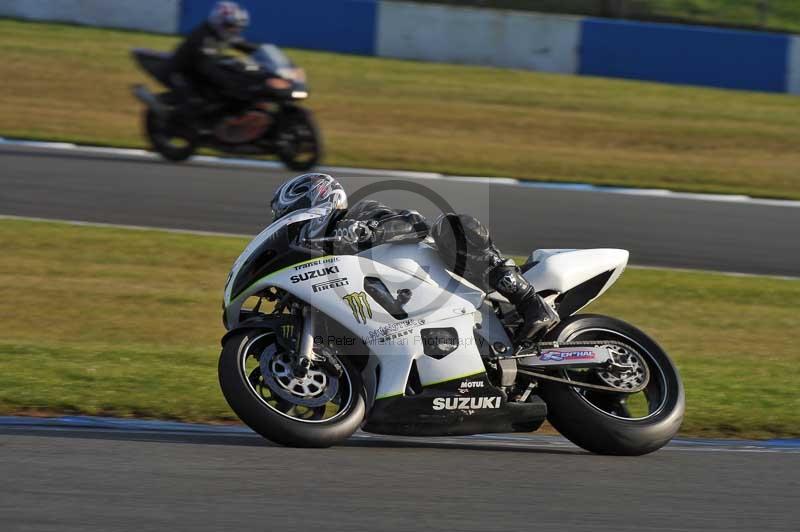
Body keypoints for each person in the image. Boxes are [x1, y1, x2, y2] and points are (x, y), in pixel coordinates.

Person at [270, 173, 559, 342]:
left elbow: (413, 221)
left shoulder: (358, 215)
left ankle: (530, 302)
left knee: (453, 225)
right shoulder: (321, 256)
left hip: (444, 279)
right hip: (400, 317)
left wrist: (367, 229)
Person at [169, 1, 257, 100]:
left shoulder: (222, 33)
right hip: (184, 73)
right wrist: (234, 86)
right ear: (219, 21)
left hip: (202, 69)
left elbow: (243, 45)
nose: (235, 30)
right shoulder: (205, 38)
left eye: (238, 27)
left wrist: (259, 52)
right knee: (199, 101)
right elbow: (207, 68)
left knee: (238, 66)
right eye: (231, 26)